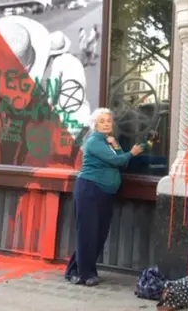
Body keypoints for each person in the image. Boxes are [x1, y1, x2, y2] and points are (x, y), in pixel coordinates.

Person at [65, 108, 144, 286]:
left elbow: (121, 160)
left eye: (109, 120)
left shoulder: (107, 142)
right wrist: (132, 152)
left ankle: (73, 271)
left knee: (98, 234)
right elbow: (119, 161)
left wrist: (117, 146)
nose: (107, 123)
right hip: (90, 191)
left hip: (103, 193)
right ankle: (86, 274)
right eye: (102, 121)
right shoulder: (94, 141)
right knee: (88, 233)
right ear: (95, 125)